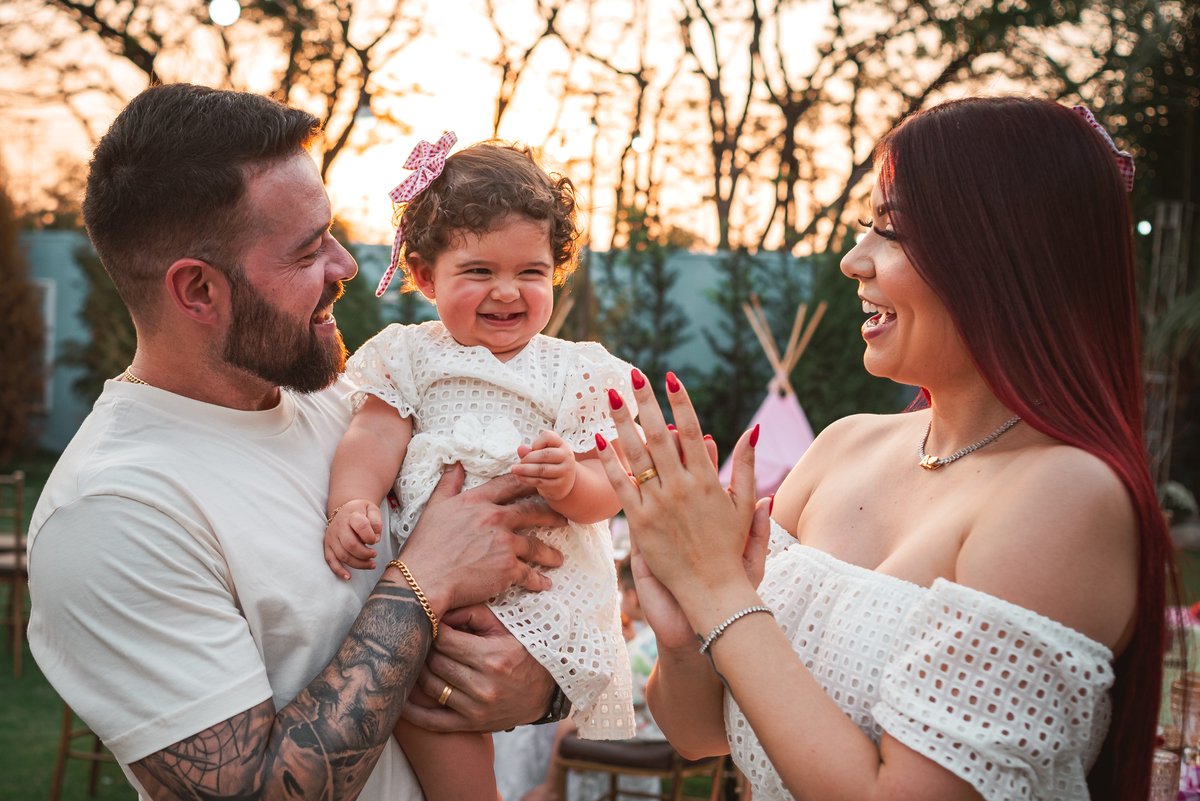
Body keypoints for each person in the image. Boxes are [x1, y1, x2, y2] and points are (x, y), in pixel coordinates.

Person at [589, 97, 1171, 800]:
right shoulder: (842, 446)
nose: (852, 260)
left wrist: (718, 590)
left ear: (1006, 255)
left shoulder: (1065, 496)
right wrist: (686, 637)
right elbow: (700, 732)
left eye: (890, 232)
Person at [26, 84, 572, 801]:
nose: (346, 266)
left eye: (333, 233)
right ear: (198, 291)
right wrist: (424, 577)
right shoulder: (113, 511)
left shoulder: (342, 403)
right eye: (309, 250)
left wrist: (538, 687)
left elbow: (508, 642)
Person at [322, 136, 637, 800]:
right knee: (424, 703)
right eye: (478, 271)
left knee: (449, 692)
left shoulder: (574, 369)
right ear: (422, 273)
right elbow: (371, 437)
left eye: (530, 271)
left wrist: (569, 482)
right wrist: (350, 501)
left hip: (542, 587)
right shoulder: (409, 355)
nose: (506, 291)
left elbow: (610, 486)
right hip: (433, 591)